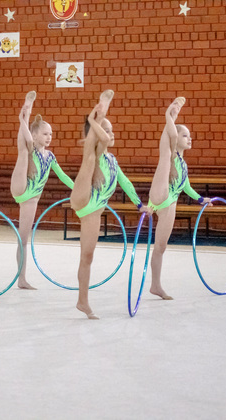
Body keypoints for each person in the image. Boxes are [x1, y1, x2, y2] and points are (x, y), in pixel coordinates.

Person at [69, 90, 149, 319]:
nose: (110, 134)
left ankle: (82, 302)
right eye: (105, 129)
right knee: (90, 156)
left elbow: (125, 183)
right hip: (82, 197)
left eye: (111, 130)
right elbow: (101, 140)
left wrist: (140, 205)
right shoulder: (94, 152)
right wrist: (94, 119)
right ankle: (100, 112)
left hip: (93, 210)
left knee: (87, 256)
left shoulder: (112, 161)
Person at [147, 97, 211, 300]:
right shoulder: (172, 155)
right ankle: (170, 115)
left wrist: (201, 200)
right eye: (185, 136)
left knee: (160, 247)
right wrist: (170, 118)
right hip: (161, 193)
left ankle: (155, 285)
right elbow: (172, 137)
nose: (189, 139)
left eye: (190, 136)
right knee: (166, 154)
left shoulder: (183, 164)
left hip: (169, 202)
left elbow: (187, 187)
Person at [10, 91, 75, 290]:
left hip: (31, 199)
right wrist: (25, 121)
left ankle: (22, 279)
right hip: (20, 186)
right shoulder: (30, 147)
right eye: (45, 134)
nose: (49, 137)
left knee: (23, 239)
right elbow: (28, 142)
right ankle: (25, 114)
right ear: (36, 134)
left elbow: (63, 176)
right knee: (25, 149)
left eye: (51, 134)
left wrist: (78, 189)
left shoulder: (51, 156)